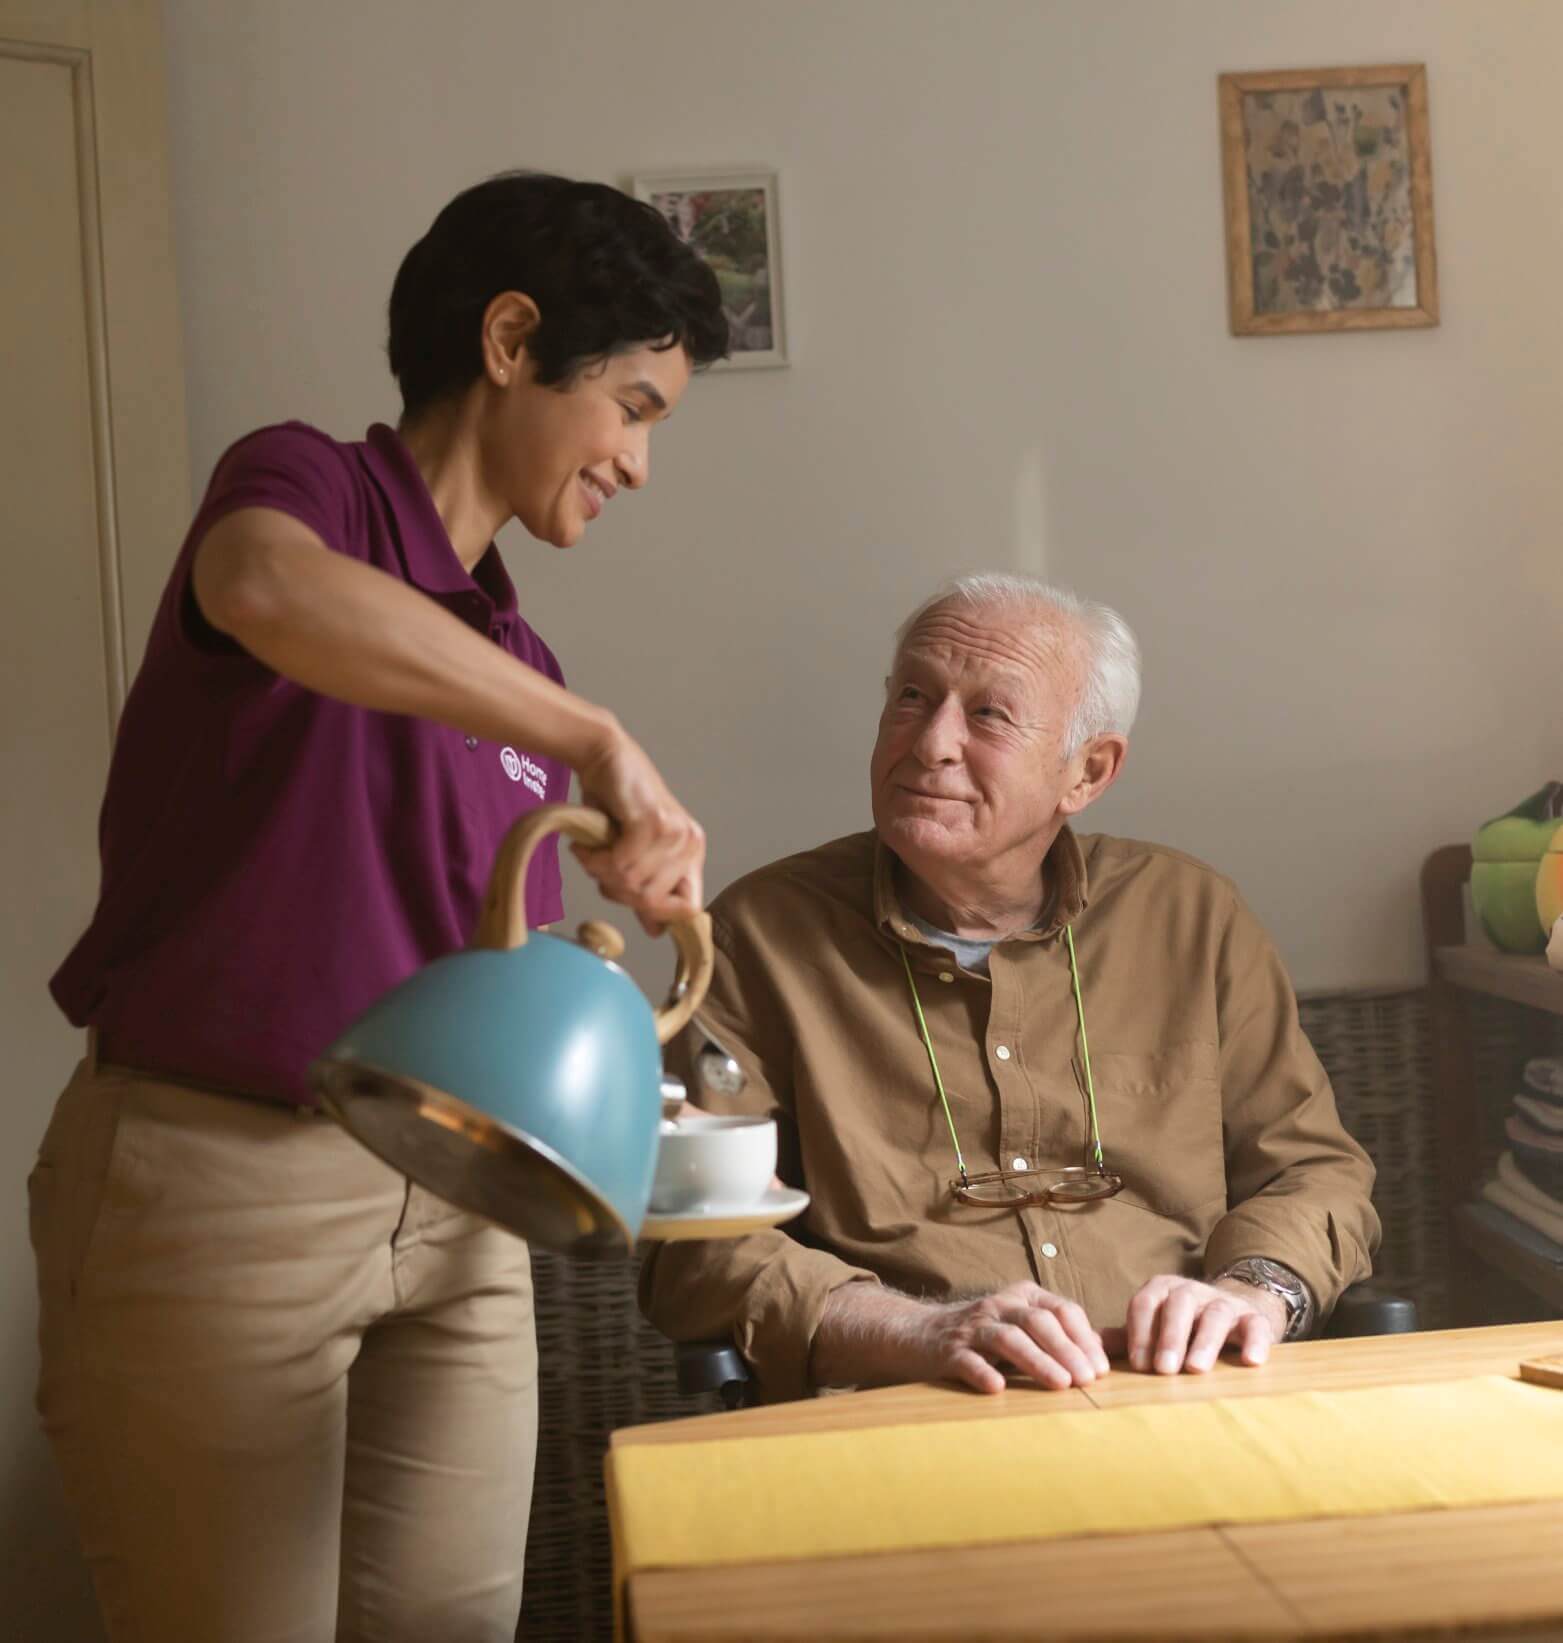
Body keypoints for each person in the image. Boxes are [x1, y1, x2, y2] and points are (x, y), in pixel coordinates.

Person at [30, 171, 727, 1642]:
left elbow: (472, 981)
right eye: (635, 407)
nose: (640, 465)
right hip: (223, 1184)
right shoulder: (304, 487)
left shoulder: (508, 645)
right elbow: (270, 590)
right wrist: (597, 735)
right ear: (510, 338)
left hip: (460, 1204)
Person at [642, 574, 1379, 1402]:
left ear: (1086, 773)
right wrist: (911, 1329)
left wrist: (1252, 1290)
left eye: (988, 714)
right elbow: (691, 1246)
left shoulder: (1189, 916)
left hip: (1182, 1388)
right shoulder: (757, 935)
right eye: (912, 698)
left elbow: (1312, 1172)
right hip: (916, 1408)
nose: (930, 742)